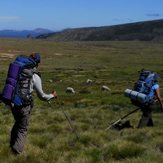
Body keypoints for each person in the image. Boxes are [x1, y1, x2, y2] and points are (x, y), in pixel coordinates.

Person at [10, 52, 57, 154]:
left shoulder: (18, 71)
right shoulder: (34, 76)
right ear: (37, 63)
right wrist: (52, 96)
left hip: (13, 103)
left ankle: (12, 144)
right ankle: (17, 152)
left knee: (18, 123)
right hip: (24, 106)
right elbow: (42, 96)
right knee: (23, 128)